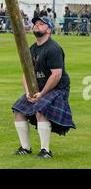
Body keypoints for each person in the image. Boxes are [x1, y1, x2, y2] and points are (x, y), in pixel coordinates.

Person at [12, 16, 76, 158]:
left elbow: (56, 75)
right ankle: (25, 148)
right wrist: (28, 92)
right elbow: (26, 73)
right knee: (18, 110)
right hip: (38, 89)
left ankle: (45, 151)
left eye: (41, 24)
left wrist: (41, 94)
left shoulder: (53, 49)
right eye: (35, 24)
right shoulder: (32, 49)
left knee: (41, 109)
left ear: (49, 29)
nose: (37, 26)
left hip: (58, 89)